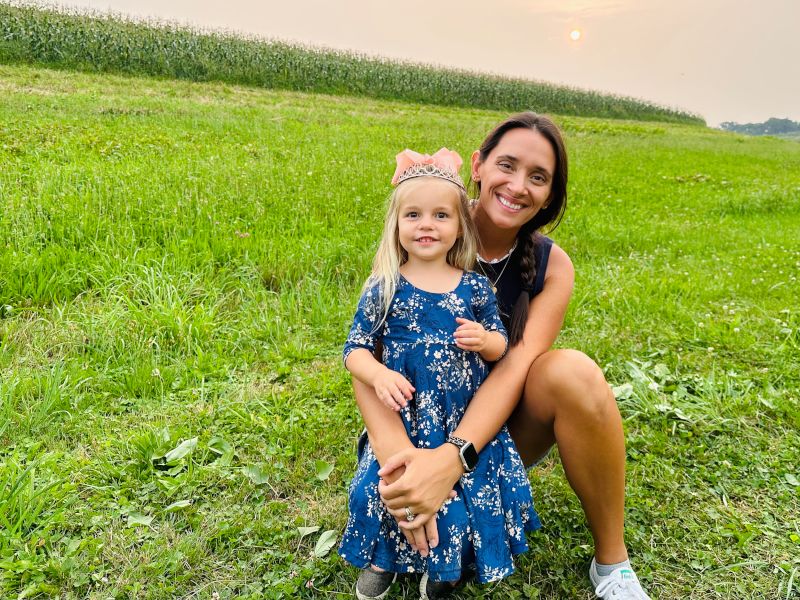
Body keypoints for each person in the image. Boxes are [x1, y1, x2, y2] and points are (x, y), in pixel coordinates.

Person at [355, 113, 652, 600]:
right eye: (507, 165)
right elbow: (367, 352)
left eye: (538, 178)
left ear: (551, 194)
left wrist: (452, 460)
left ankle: (612, 566)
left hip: (495, 433)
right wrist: (399, 460)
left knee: (572, 372)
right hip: (411, 421)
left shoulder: (553, 266)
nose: (518, 186)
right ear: (477, 164)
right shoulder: (428, 223)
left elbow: (517, 364)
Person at [339, 148, 541, 600]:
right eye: (413, 214)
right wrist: (377, 374)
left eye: (440, 215)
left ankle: (444, 569)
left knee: (462, 502)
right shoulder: (384, 286)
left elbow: (500, 345)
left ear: (459, 226)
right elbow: (354, 350)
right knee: (378, 489)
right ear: (396, 225)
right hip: (407, 417)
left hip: (458, 417)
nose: (426, 225)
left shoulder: (473, 286)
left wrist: (486, 341)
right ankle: (381, 560)